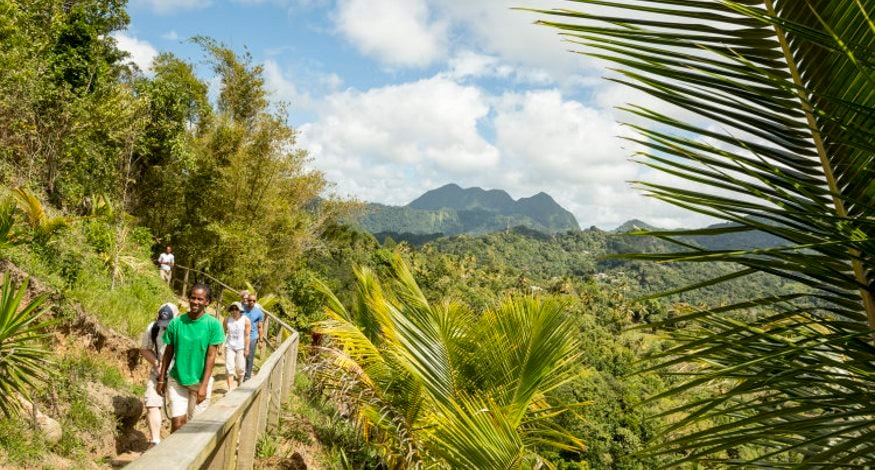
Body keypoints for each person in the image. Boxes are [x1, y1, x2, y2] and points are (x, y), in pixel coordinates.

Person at [156, 284, 225, 432]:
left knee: (195, 427)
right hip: (177, 379)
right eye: (193, 298)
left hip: (200, 381)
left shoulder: (213, 325)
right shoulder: (177, 323)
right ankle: (174, 454)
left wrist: (204, 386)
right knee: (178, 423)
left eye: (200, 299)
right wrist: (161, 378)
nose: (195, 302)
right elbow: (168, 352)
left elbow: (211, 357)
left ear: (207, 302)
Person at [139, 302, 178, 447]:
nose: (164, 326)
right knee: (152, 403)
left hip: (177, 375)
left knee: (177, 409)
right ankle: (155, 441)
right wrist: (156, 363)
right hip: (157, 373)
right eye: (162, 322)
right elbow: (144, 349)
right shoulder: (153, 328)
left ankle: (176, 445)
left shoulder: (183, 329)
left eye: (168, 323)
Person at [223, 301, 250, 391]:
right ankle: (230, 389)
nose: (234, 311)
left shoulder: (245, 320)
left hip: (241, 347)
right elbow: (224, 333)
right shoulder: (227, 320)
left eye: (236, 309)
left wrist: (247, 348)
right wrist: (221, 345)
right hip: (229, 346)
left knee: (240, 368)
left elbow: (247, 335)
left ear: (240, 310)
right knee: (229, 367)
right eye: (232, 309)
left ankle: (240, 383)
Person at [242, 292, 264, 381]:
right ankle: (241, 372)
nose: (251, 302)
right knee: (240, 355)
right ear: (247, 300)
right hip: (241, 335)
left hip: (252, 336)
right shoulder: (242, 309)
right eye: (249, 300)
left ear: (256, 301)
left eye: (253, 301)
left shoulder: (259, 313)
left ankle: (247, 376)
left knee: (250, 357)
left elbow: (260, 327)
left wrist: (261, 340)